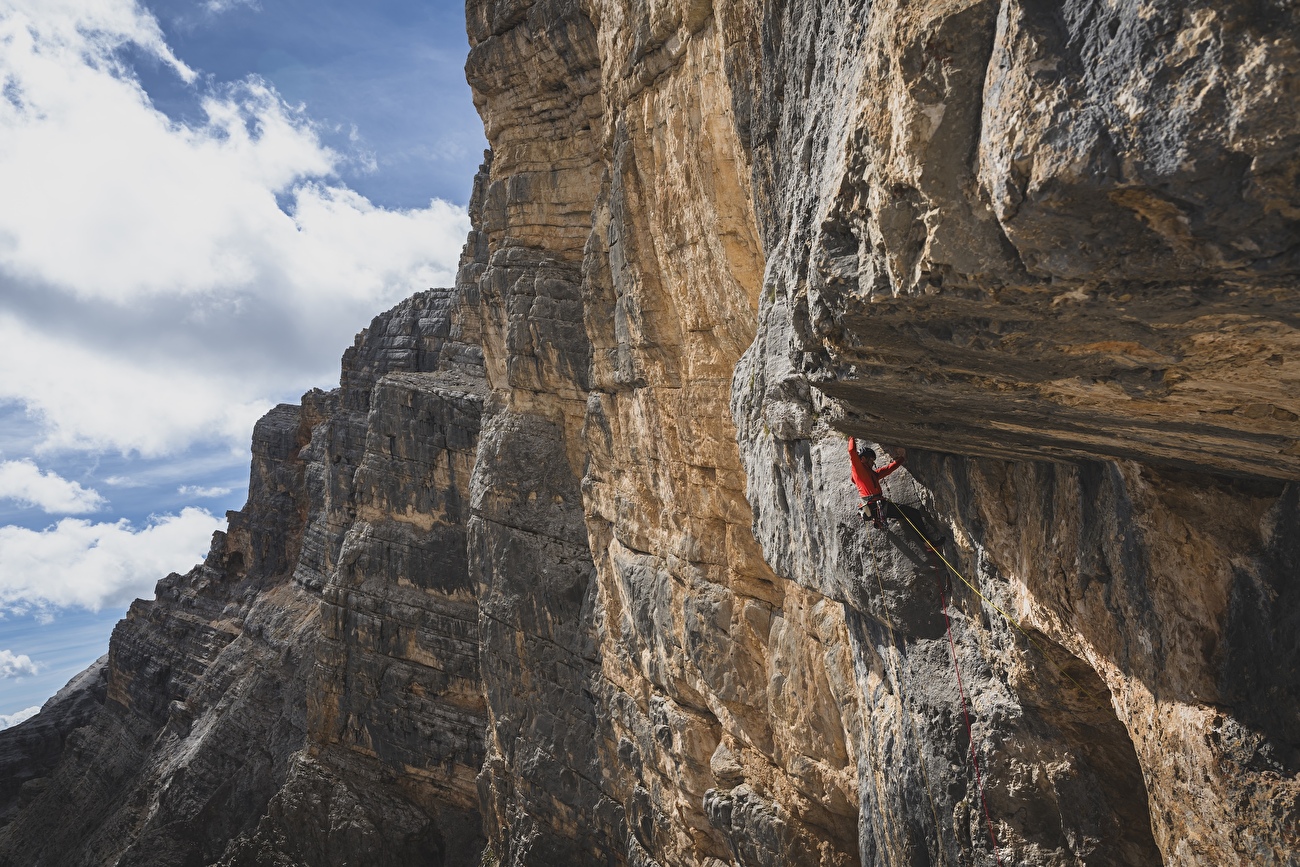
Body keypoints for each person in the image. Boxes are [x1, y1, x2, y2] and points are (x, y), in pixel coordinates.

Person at [847, 437, 939, 550]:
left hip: (878, 506)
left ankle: (927, 543)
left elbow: (887, 469)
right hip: (875, 506)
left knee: (911, 513)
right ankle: (928, 543)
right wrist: (851, 436)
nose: (873, 463)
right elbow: (851, 451)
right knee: (913, 513)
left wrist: (901, 459)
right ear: (863, 459)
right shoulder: (858, 470)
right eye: (871, 460)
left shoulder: (872, 474)